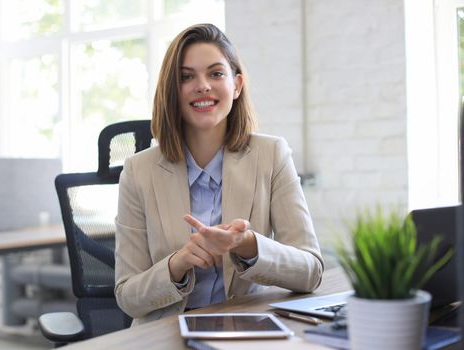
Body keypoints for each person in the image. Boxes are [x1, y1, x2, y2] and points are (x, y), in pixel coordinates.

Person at [114, 23, 323, 325]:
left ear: (236, 85)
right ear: (173, 89)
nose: (203, 86)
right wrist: (177, 264)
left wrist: (247, 245)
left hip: (246, 330)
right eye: (187, 77)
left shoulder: (272, 155)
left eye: (216, 73)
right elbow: (127, 296)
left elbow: (311, 271)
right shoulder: (138, 171)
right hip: (165, 334)